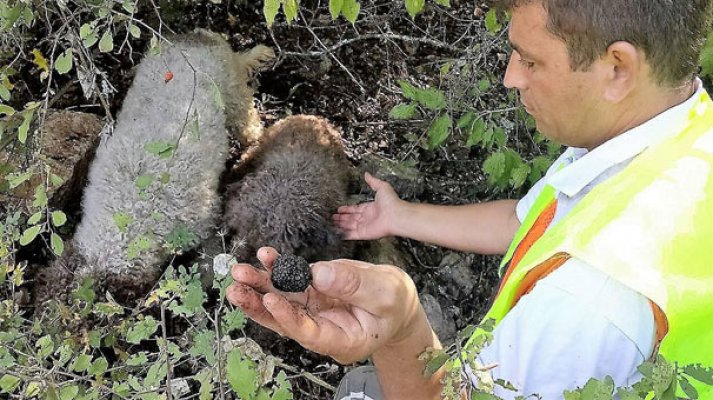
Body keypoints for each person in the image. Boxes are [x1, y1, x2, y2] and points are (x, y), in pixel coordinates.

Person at [227, 0, 713, 398]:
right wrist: (401, 216)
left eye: (529, 59)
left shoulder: (583, 307)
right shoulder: (680, 134)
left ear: (617, 68)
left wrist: (402, 329)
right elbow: (529, 222)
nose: (510, 78)